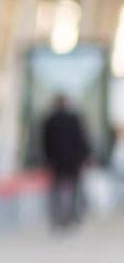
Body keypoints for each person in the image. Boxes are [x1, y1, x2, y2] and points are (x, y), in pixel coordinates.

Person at [40, 95, 92, 231]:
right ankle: (73, 216)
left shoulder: (50, 120)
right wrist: (84, 157)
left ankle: (57, 218)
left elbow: (45, 142)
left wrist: (48, 158)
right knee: (74, 189)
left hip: (57, 161)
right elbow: (82, 139)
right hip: (73, 161)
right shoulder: (74, 119)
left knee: (57, 189)